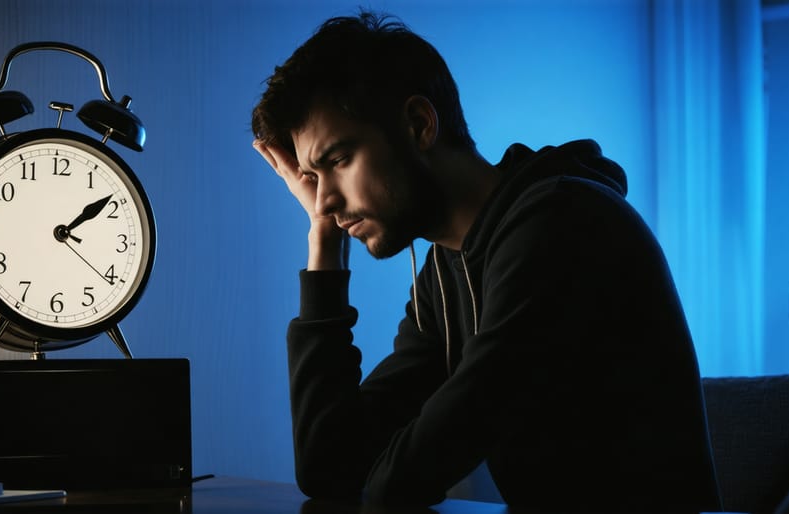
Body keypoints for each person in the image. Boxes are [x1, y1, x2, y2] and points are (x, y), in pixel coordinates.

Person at [251, 10, 721, 513]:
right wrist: (323, 241)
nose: (323, 200)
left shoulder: (561, 225)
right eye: (311, 178)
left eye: (338, 162)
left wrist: (396, 470)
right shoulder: (443, 274)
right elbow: (330, 466)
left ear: (418, 124)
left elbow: (403, 481)